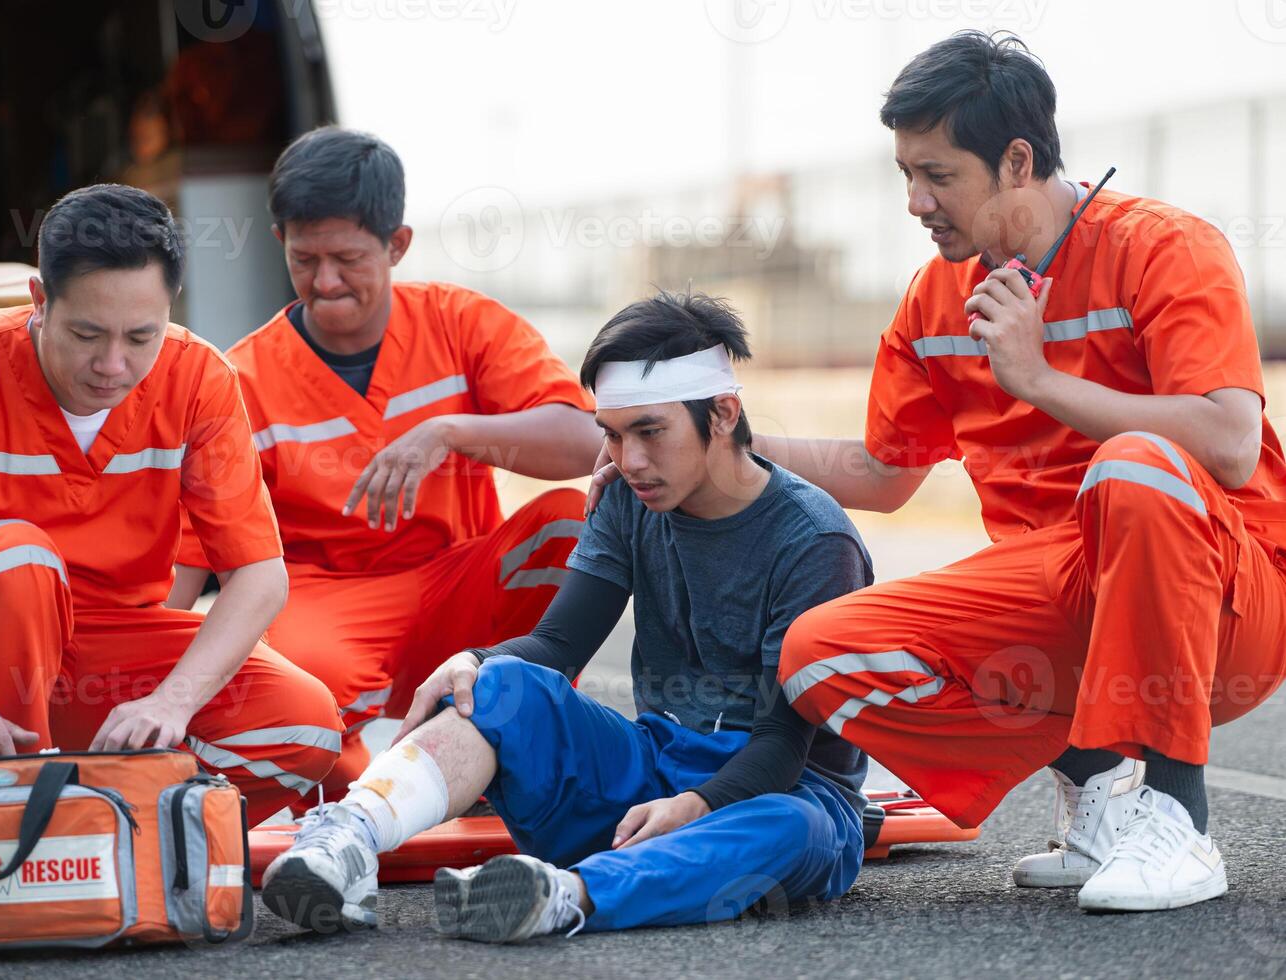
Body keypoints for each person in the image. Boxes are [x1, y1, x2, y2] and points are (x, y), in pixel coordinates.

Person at [587, 32, 1286, 913]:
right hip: (1061, 600)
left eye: (938, 174)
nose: (915, 200)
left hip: (1229, 604)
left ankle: (1177, 820)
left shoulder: (1166, 249)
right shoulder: (933, 298)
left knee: (1135, 469)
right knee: (816, 654)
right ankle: (1100, 790)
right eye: (903, 173)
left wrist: (1037, 380)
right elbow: (883, 473)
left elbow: (1228, 442)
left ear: (1017, 160)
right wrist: (715, 451)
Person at [259, 291, 872, 941]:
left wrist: (691, 808)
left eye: (649, 431)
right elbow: (557, 644)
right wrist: (475, 663)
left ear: (723, 414)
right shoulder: (630, 496)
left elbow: (782, 747)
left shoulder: (814, 542)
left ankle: (564, 895)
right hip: (655, 768)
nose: (626, 459)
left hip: (780, 794)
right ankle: (350, 839)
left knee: (793, 827)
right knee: (497, 684)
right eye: (611, 433)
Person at [0, 184, 341, 826]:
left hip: (102, 650)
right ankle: (5, 809)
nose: (112, 365)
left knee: (306, 729)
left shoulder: (200, 380)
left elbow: (259, 575)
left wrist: (170, 704)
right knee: (19, 559)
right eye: (87, 333)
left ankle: (98, 838)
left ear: (170, 306)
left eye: (140, 337)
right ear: (39, 301)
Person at [168, 127, 603, 796]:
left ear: (397, 244)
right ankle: (355, 796)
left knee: (570, 525)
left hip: (456, 586)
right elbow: (192, 549)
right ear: (280, 241)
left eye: (347, 258)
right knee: (281, 680)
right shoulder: (241, 378)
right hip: (322, 602)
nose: (326, 282)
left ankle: (513, 747)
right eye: (304, 258)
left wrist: (452, 432)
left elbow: (583, 441)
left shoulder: (460, 323)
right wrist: (153, 684)